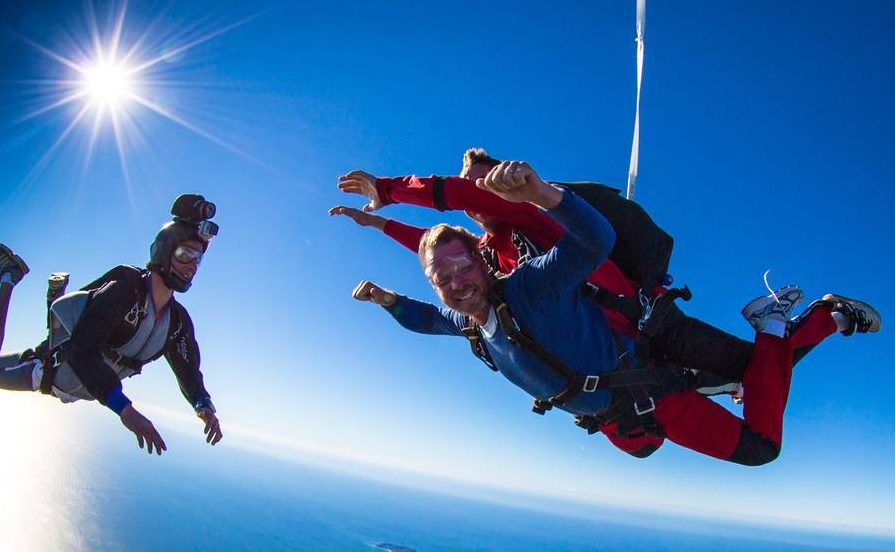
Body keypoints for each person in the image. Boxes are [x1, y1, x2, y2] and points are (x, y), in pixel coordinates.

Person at [349, 161, 880, 464]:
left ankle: (805, 319)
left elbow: (587, 239)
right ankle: (807, 325)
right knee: (754, 377)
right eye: (445, 280)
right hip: (623, 373)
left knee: (760, 383)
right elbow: (442, 272)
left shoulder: (524, 241)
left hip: (649, 331)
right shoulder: (487, 269)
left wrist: (390, 192)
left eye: (484, 184)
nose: (458, 282)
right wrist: (387, 274)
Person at [330, 151, 802, 390]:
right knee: (671, 411)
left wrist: (388, 189)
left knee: (760, 368)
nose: (475, 197)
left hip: (648, 321)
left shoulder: (528, 213)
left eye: (483, 184)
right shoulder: (490, 251)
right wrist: (378, 224)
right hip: (619, 345)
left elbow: (457, 195)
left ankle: (817, 318)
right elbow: (437, 253)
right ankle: (733, 368)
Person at [0, 195, 223, 458]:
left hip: (81, 386)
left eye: (198, 259)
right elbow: (83, 350)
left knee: (70, 333)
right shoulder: (125, 290)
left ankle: (54, 295)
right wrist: (125, 409)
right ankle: (10, 276)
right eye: (185, 255)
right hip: (46, 370)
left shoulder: (177, 323)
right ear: (164, 250)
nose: (192, 267)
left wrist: (203, 405)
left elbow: (189, 372)